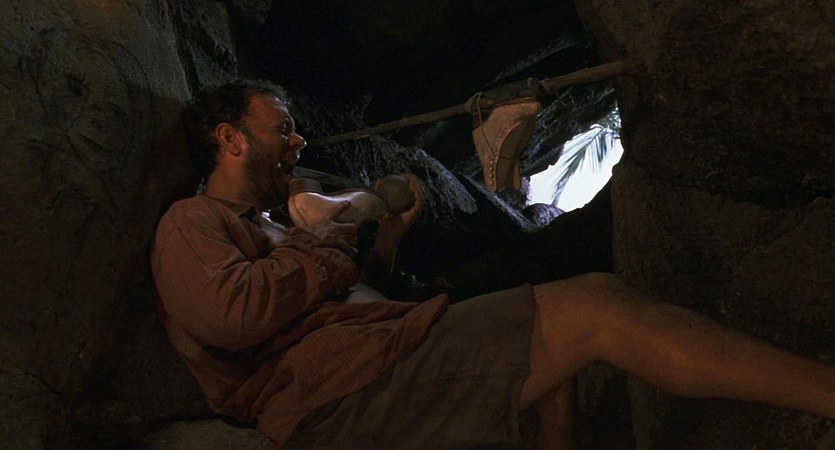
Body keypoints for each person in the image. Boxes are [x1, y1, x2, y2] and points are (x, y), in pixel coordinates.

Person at [151, 79, 835, 450]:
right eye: (281, 127)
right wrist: (329, 233)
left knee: (553, 360)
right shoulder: (193, 221)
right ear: (230, 139)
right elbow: (233, 314)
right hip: (334, 399)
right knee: (594, 308)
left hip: (371, 359)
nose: (298, 140)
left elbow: (333, 305)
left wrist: (385, 241)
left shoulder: (269, 225)